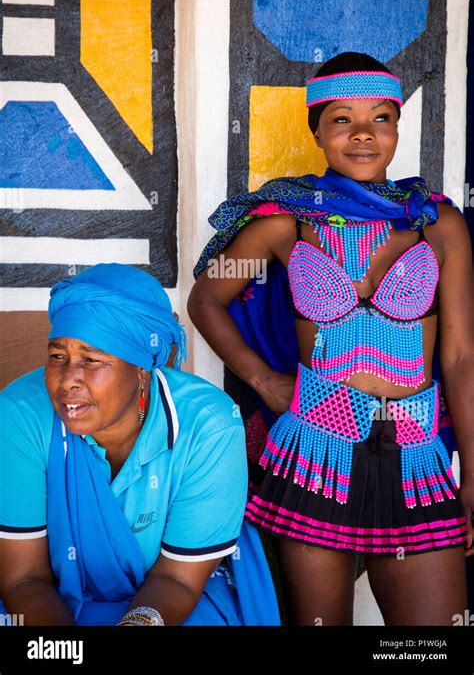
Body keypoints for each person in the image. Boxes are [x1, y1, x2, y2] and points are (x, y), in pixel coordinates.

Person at [188, 52, 474, 626]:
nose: (364, 134)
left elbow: (462, 357)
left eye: (381, 118)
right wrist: (267, 382)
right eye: (343, 119)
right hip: (315, 453)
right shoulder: (284, 222)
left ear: (397, 128)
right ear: (316, 129)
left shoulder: (437, 223)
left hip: (416, 456)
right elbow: (205, 298)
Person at [0, 263, 280, 626]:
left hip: (174, 599)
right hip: (49, 598)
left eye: (92, 360)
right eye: (58, 356)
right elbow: (24, 578)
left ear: (141, 370)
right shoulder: (21, 413)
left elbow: (176, 579)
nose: (68, 379)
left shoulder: (208, 426)